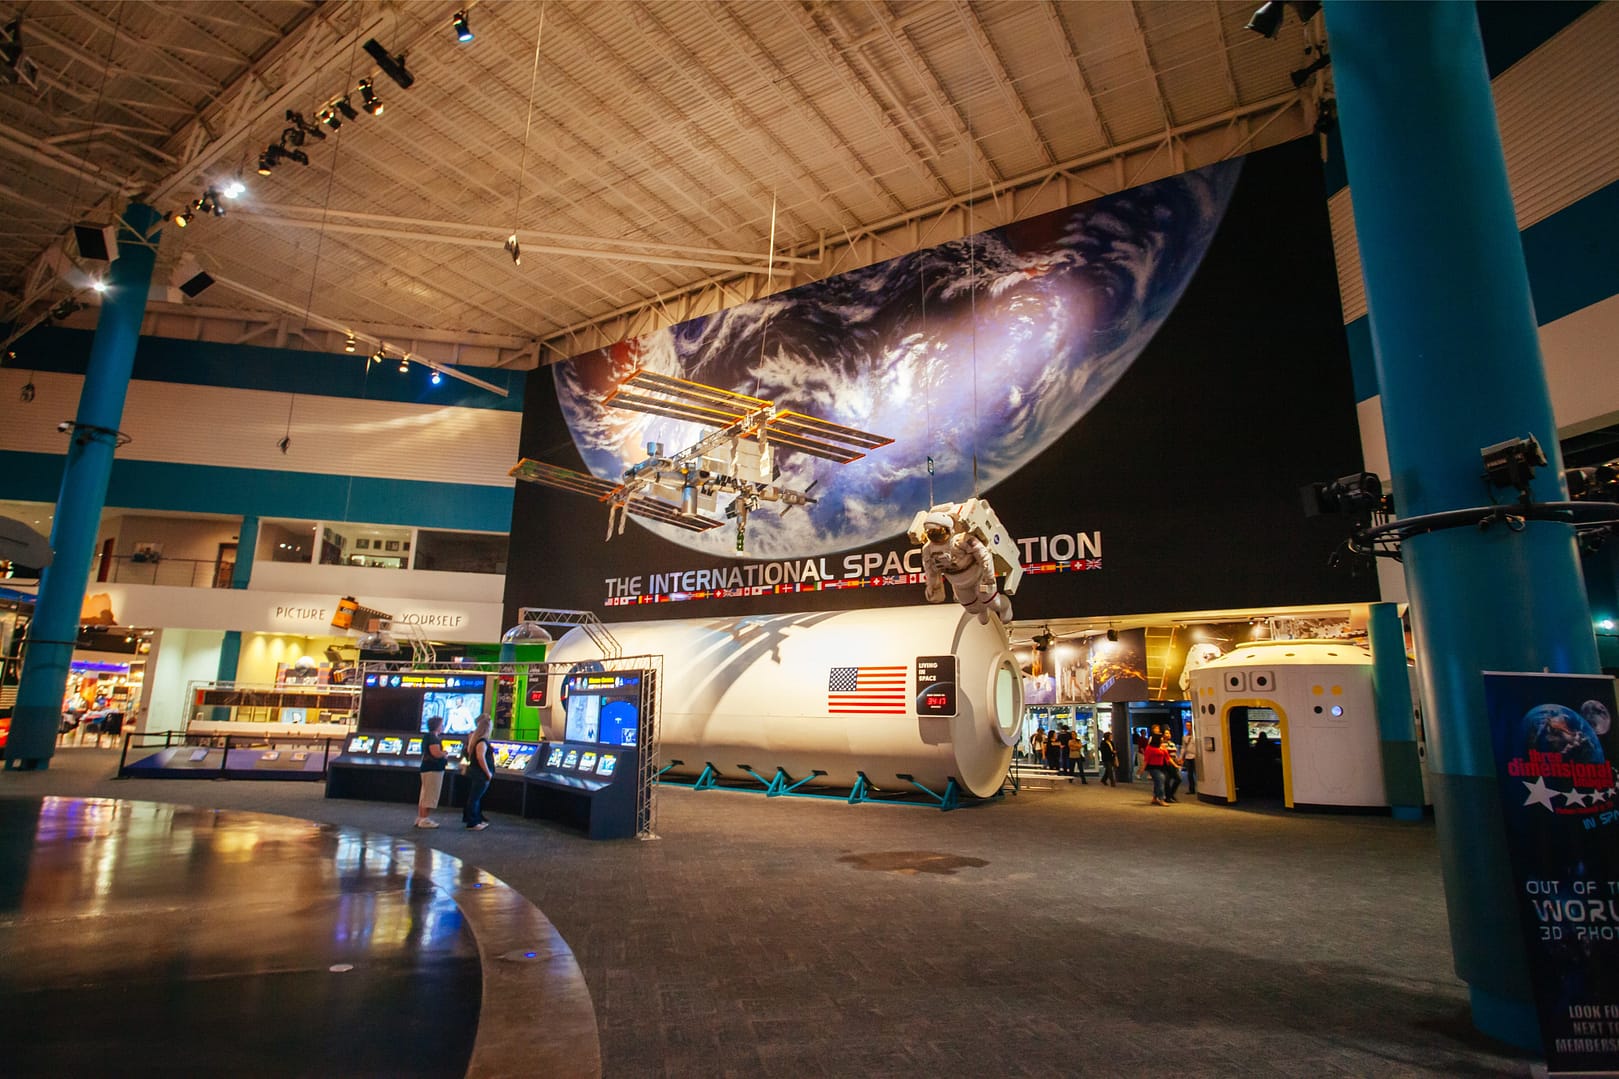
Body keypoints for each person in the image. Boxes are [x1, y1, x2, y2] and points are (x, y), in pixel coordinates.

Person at [462, 714, 496, 831]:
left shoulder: (476, 741)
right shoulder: (482, 742)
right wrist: (488, 773)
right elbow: (480, 757)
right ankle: (472, 822)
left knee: (475, 797)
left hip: (477, 773)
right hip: (480, 774)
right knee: (474, 798)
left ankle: (475, 820)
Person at [416, 714, 448, 829]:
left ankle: (421, 817)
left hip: (427, 768)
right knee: (430, 794)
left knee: (425, 794)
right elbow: (435, 753)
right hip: (433, 769)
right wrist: (444, 753)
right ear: (437, 726)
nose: (443, 727)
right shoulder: (433, 738)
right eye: (441, 725)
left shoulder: (427, 736)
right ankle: (425, 819)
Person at [1142, 725, 1170, 806]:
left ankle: (1155, 797)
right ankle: (1161, 798)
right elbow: (1146, 759)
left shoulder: (1162, 747)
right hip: (1153, 767)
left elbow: (1167, 757)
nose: (1162, 739)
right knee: (1161, 780)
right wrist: (1142, 769)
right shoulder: (1150, 747)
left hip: (1160, 766)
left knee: (1158, 782)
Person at [1161, 729, 1182, 803]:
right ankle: (1168, 797)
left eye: (1169, 733)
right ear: (1163, 735)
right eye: (1166, 733)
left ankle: (1171, 794)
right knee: (1167, 781)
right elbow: (1165, 755)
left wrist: (1177, 760)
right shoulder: (1161, 744)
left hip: (1173, 763)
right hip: (1166, 763)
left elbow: (1174, 754)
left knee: (1178, 779)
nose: (1168, 734)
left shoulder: (1172, 743)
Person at [1180, 725, 1198, 795]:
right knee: (1189, 774)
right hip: (1188, 757)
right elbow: (1183, 747)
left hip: (1195, 757)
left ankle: (1200, 788)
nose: (1187, 727)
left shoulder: (1196, 736)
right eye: (1186, 726)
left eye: (1189, 725)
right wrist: (1181, 757)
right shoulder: (1185, 737)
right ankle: (1191, 789)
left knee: (1196, 773)